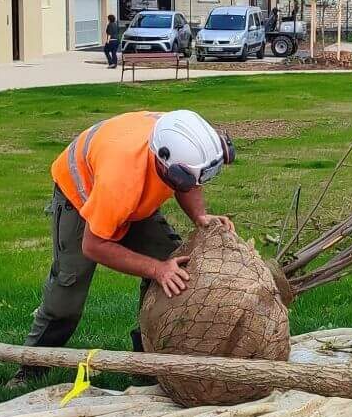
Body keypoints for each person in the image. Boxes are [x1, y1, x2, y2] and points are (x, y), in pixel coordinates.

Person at [12, 109, 236, 385]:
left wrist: (199, 215)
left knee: (177, 267)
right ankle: (30, 369)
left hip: (133, 196)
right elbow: (94, 246)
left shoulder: (181, 134)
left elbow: (190, 181)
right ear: (166, 166)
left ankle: (147, 360)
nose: (192, 185)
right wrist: (156, 269)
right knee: (67, 293)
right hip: (81, 197)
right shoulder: (120, 180)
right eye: (187, 179)